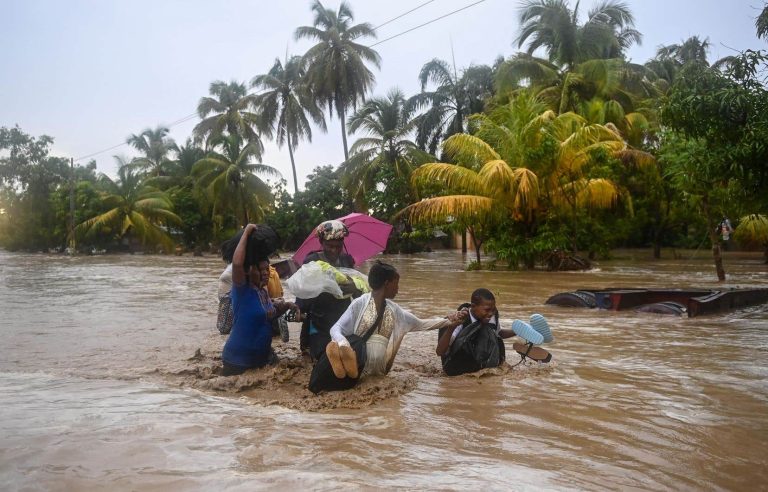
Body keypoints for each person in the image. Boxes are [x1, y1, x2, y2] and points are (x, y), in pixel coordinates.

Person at [324, 261, 466, 384]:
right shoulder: (359, 304)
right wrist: (344, 344)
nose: (398, 289)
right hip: (359, 369)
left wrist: (449, 321)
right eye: (396, 284)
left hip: (379, 373)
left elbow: (421, 324)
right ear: (387, 283)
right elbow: (335, 328)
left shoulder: (394, 310)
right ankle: (342, 358)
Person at [436, 289, 553, 376]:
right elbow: (440, 351)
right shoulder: (459, 319)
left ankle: (530, 330)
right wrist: (451, 327)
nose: (490, 313)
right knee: (482, 328)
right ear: (473, 306)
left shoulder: (490, 315)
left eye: (493, 309)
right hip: (458, 365)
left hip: (481, 361)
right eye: (487, 310)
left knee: (488, 329)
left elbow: (499, 333)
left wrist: (516, 331)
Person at [221, 224, 281, 376]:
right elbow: (237, 264)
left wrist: (287, 306)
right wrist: (246, 233)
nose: (265, 273)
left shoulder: (263, 292)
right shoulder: (242, 289)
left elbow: (268, 317)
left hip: (261, 361)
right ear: (249, 271)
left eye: (267, 269)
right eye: (260, 270)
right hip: (237, 362)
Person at [296, 220, 360, 360]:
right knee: (323, 359)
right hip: (318, 320)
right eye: (329, 246)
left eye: (338, 246)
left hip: (342, 318)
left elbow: (359, 288)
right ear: (321, 242)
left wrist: (354, 287)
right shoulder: (312, 261)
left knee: (350, 357)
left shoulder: (347, 261)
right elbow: (303, 293)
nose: (334, 250)